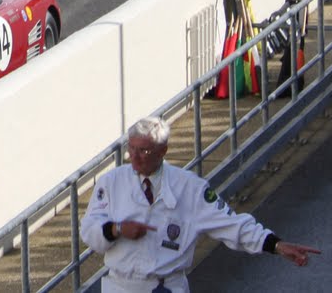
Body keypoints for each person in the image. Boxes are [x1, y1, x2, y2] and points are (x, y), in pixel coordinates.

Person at [80, 115, 319, 291]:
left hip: (167, 286)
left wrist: (275, 245)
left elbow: (232, 225)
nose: (134, 156)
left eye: (144, 150)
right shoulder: (111, 182)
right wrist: (117, 229)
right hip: (121, 287)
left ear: (163, 151)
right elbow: (89, 231)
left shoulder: (190, 188)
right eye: (131, 149)